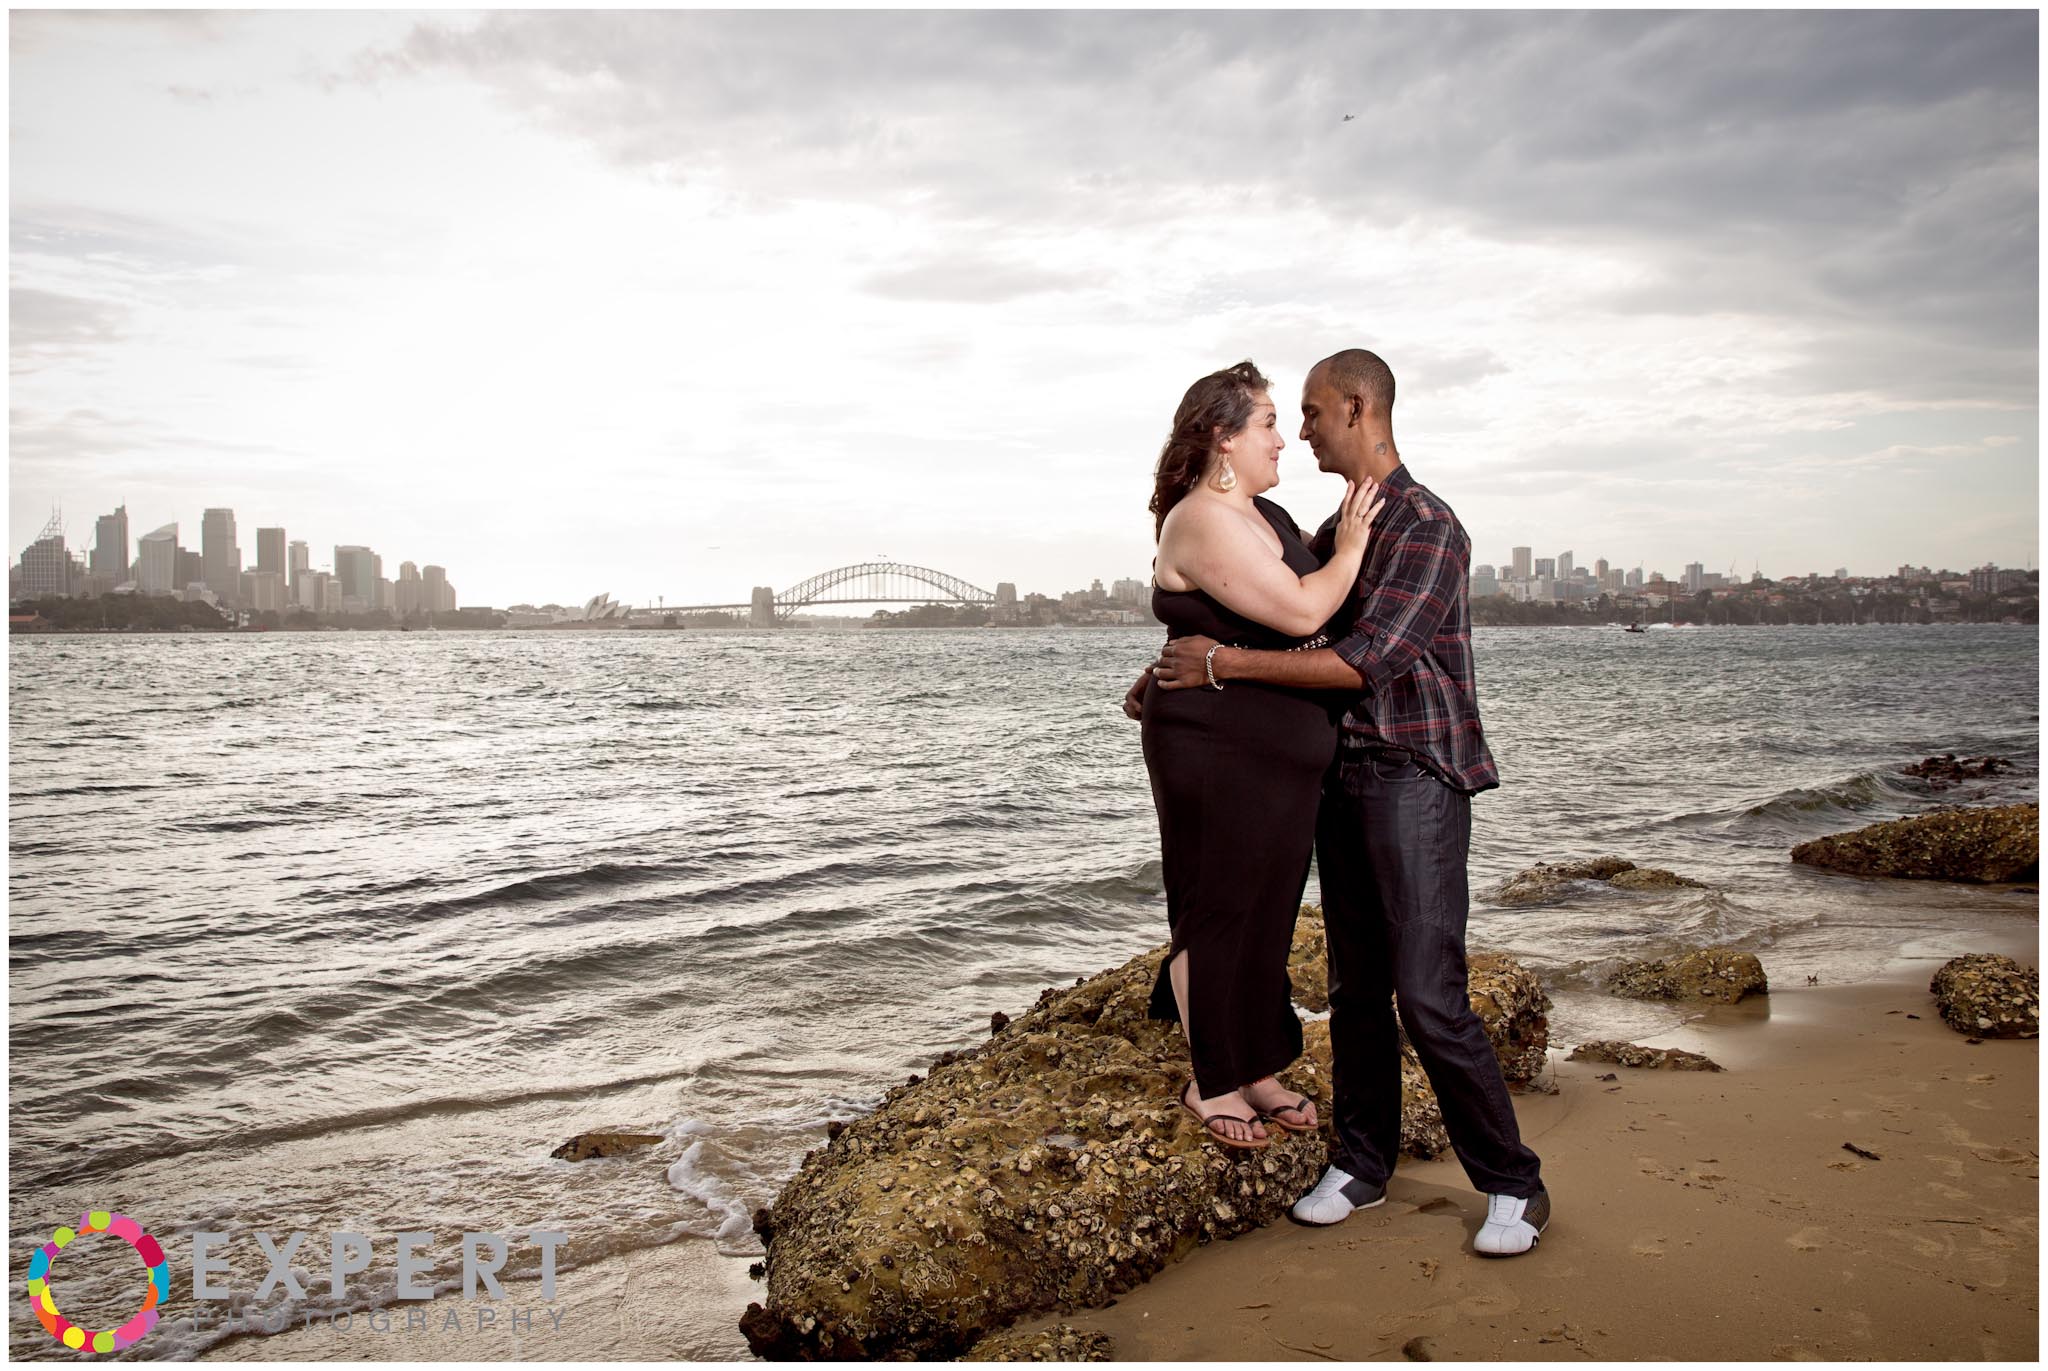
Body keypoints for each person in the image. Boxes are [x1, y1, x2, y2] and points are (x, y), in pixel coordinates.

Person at [1130, 348, 1550, 1256]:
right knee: (1357, 991)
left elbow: (1366, 660)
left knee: (1428, 994)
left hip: (1414, 774)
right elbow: (1264, 610)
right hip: (1344, 774)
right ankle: (1362, 1163)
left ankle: (1513, 1182)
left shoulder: (1427, 525)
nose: (1302, 430)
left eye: (1314, 412)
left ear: (1357, 408)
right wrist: (1172, 674)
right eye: (1286, 417)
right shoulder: (1331, 524)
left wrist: (1219, 665)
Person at [1139, 360, 1384, 1150]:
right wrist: (1352, 545)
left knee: (1270, 908)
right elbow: (1305, 609)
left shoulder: (1265, 515)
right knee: (1219, 905)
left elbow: (1243, 622)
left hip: (1279, 754)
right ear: (1224, 436)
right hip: (1215, 747)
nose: (1284, 440)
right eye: (1270, 424)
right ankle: (1210, 1078)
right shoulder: (1200, 518)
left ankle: (1256, 1065)